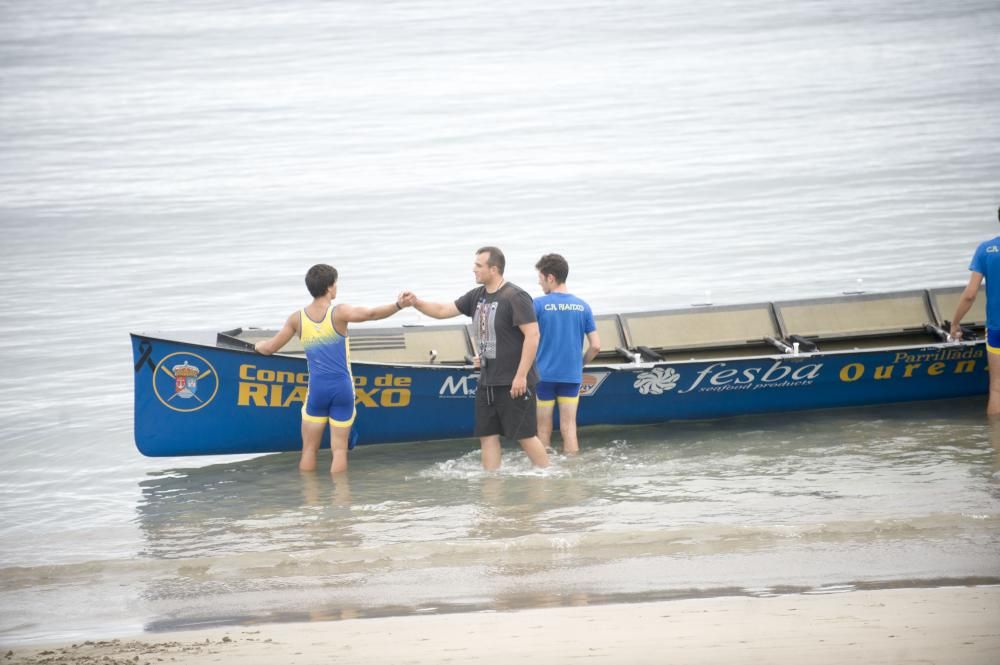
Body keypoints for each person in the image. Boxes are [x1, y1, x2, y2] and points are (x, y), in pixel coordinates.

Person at [401, 247, 550, 470]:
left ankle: (548, 478)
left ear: (494, 269)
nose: (474, 269)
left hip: (514, 382)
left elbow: (533, 335)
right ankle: (492, 488)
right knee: (487, 436)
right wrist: (416, 302)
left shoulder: (515, 296)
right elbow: (443, 310)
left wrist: (520, 376)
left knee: (525, 436)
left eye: (478, 266)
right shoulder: (477, 296)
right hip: (487, 381)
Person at [254, 264, 410, 473]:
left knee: (309, 450)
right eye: (335, 283)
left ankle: (310, 501)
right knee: (339, 451)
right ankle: (340, 502)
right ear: (329, 287)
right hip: (342, 390)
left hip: (317, 390)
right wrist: (398, 305)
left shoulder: (297, 318)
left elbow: (270, 348)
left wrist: (255, 346)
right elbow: (371, 314)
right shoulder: (339, 313)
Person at [533, 253, 601, 454]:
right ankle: (572, 478)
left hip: (543, 376)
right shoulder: (583, 306)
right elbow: (596, 346)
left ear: (550, 277)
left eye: (540, 278)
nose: (540, 283)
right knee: (570, 429)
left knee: (543, 430)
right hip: (571, 376)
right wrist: (579, 365)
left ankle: (542, 474)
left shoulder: (537, 305)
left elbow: (527, 337)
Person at [951, 207, 1000, 416]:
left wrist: (954, 324)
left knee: (997, 388)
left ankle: (996, 443)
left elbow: (970, 294)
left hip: (998, 329)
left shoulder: (986, 250)